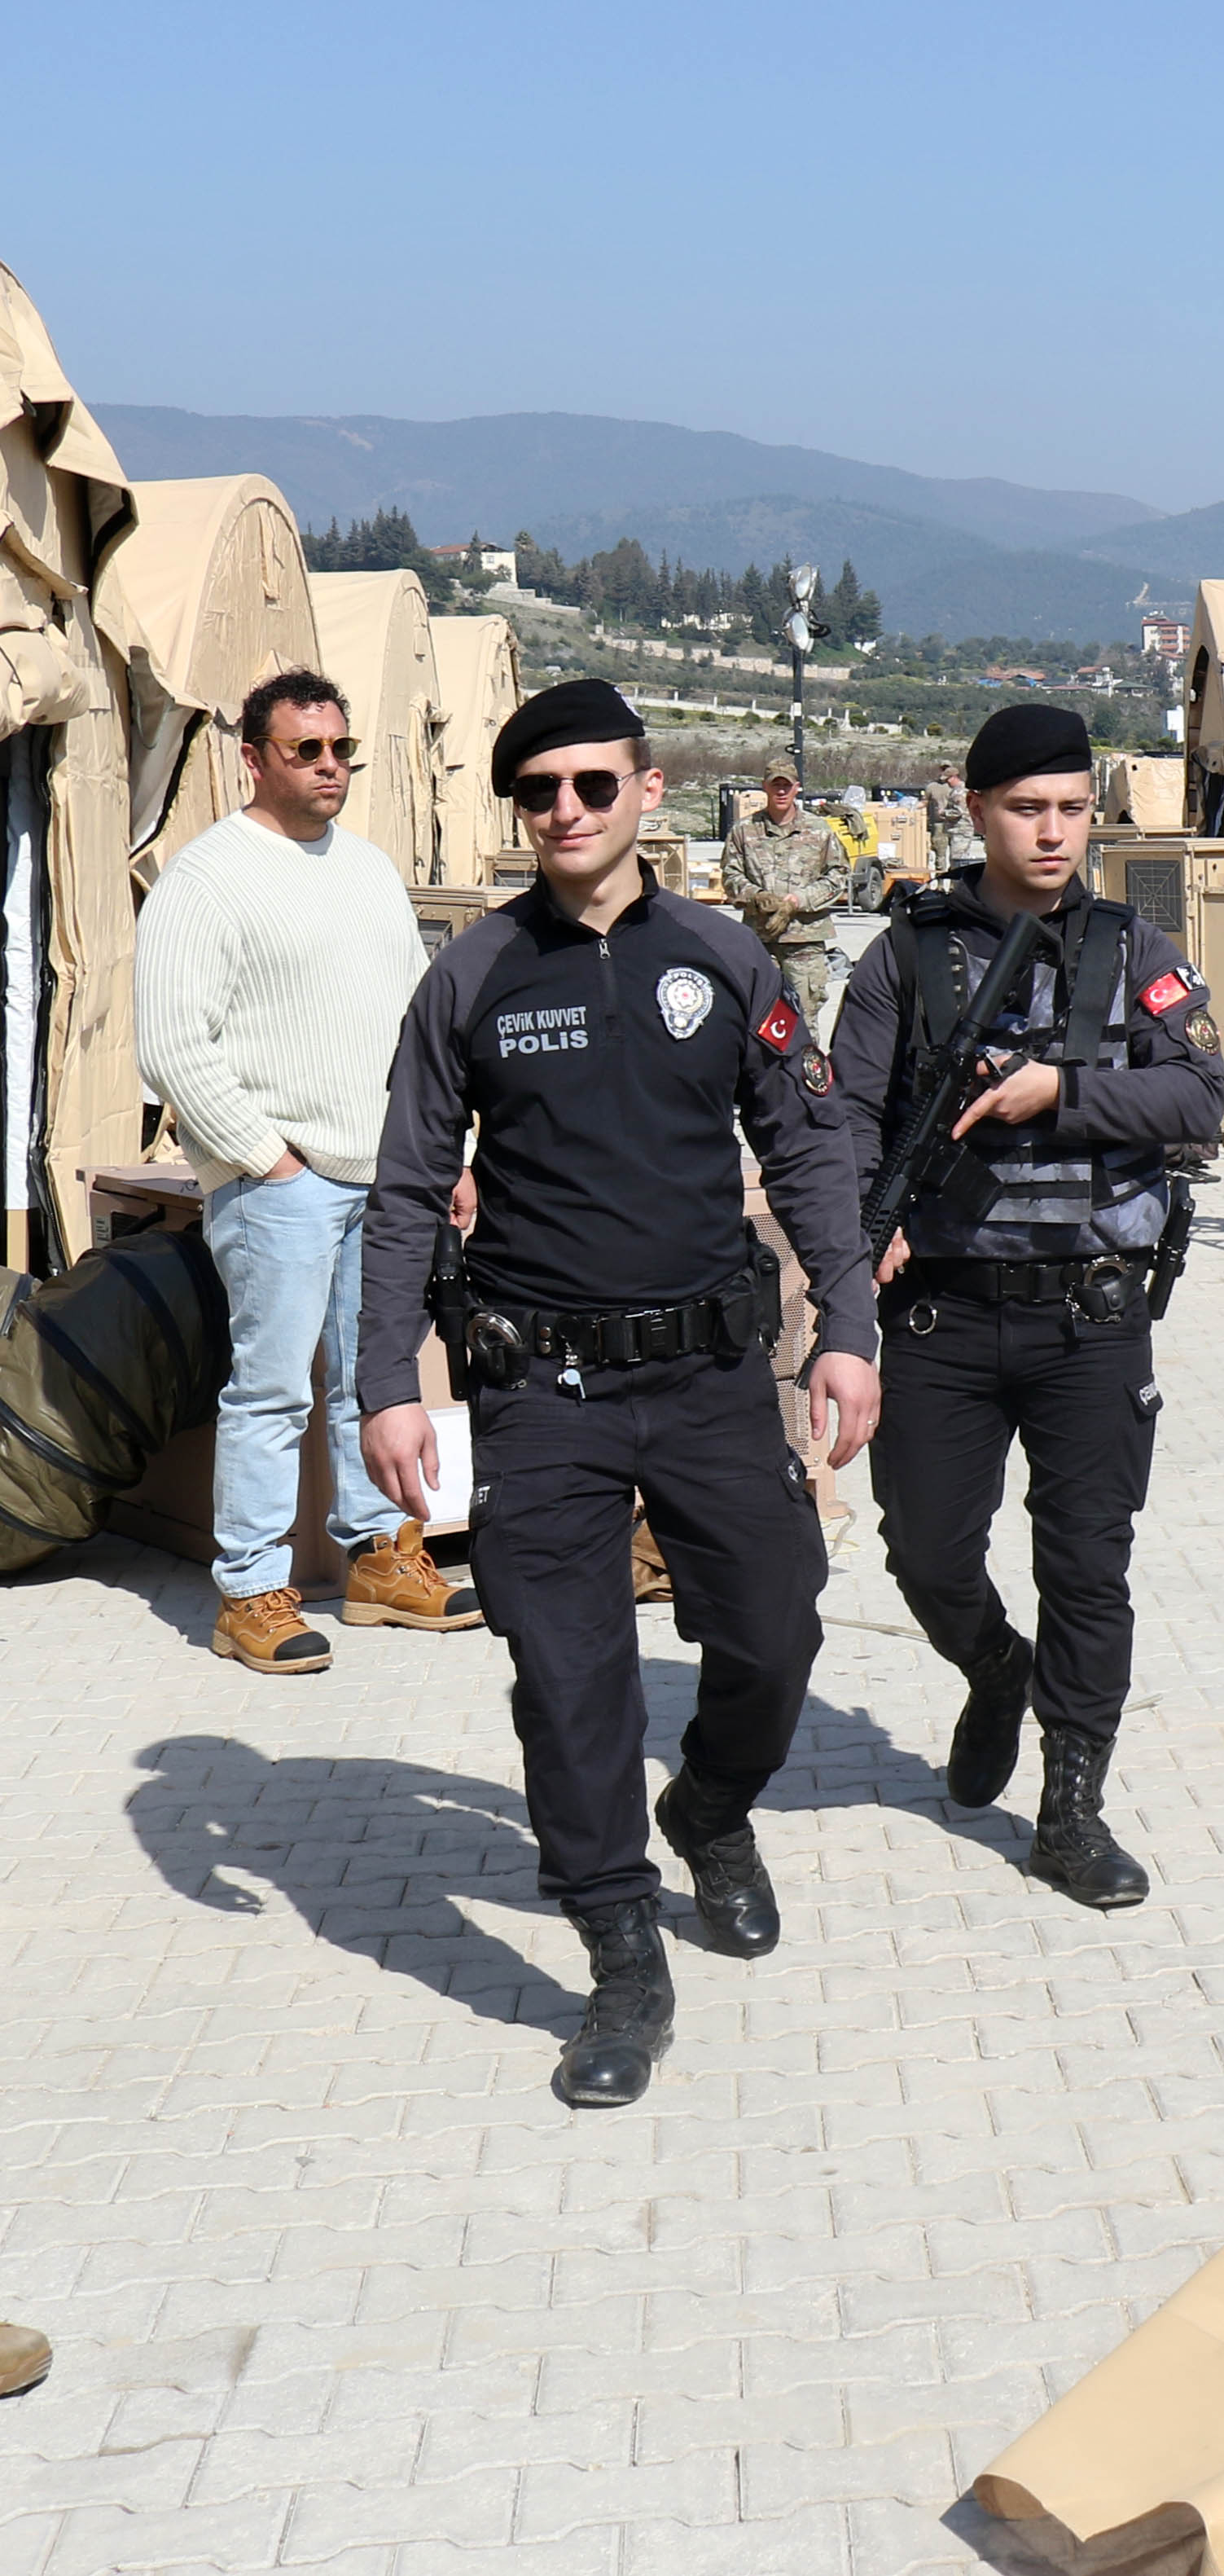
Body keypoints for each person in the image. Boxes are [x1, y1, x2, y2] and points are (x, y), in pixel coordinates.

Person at [356, 679, 879, 2111]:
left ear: (648, 789)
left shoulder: (721, 956)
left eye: (594, 783)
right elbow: (406, 1189)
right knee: (568, 1676)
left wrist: (847, 1324)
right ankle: (620, 1951)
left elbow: (807, 1144)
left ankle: (708, 1805)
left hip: (710, 1376)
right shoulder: (472, 976)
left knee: (775, 1627)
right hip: (542, 1390)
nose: (566, 811)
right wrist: (385, 1384)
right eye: (539, 790)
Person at [834, 703, 1224, 1913]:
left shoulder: (1135, 950)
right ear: (974, 808)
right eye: (1026, 809)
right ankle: (995, 1666)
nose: (1053, 833)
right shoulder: (907, 955)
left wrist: (1061, 1092)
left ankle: (1071, 1810)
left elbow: (1200, 1097)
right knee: (926, 1548)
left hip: (1092, 1316)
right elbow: (846, 1119)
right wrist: (867, 1224)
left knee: (1089, 1566)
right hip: (942, 1314)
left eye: (1071, 809)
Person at [133, 670, 478, 1673]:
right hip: (280, 1182)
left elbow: (416, 1031)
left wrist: (445, 1153)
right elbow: (172, 1045)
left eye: (342, 750)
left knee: (375, 1380)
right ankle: (250, 1590)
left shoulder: (368, 870)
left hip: (385, 1177)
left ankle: (377, 1559)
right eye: (306, 750)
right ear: (253, 758)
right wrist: (266, 1160)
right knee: (273, 1392)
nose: (331, 767)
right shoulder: (206, 878)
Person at [723, 754, 856, 1035]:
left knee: (804, 1022)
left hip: (804, 943)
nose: (781, 791)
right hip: (760, 940)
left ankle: (804, 1065)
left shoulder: (819, 830)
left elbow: (838, 876)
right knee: (757, 1019)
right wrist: (757, 897)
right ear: (765, 787)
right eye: (776, 785)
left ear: (797, 788)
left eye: (787, 786)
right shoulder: (743, 831)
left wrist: (798, 901)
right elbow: (730, 876)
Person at [924, 760, 974, 869]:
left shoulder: (960, 791)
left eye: (948, 780)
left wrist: (943, 812)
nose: (947, 783)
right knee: (955, 859)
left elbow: (958, 811)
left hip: (962, 830)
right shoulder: (955, 790)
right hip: (955, 830)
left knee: (958, 860)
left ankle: (959, 879)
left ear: (954, 777)